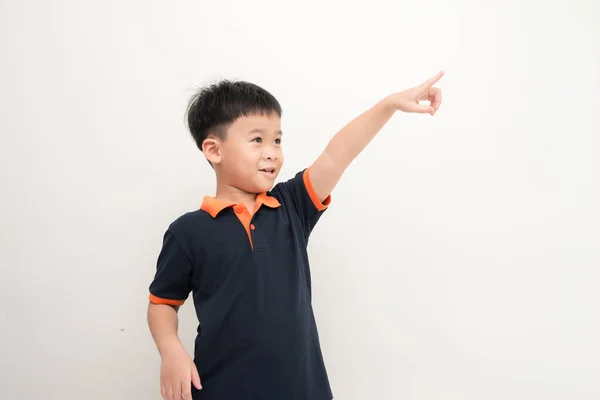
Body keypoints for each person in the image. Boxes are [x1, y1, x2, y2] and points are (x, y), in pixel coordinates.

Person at [147, 72, 444, 400]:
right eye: (257, 140)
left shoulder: (291, 206)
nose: (272, 152)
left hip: (302, 389)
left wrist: (388, 106)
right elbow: (162, 303)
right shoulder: (187, 232)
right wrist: (171, 351)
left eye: (277, 140)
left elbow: (336, 155)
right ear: (214, 150)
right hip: (221, 388)